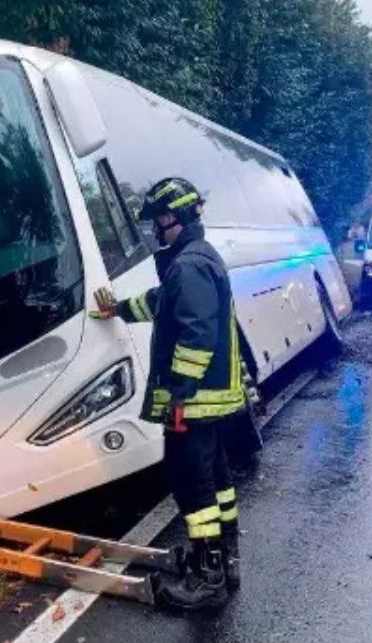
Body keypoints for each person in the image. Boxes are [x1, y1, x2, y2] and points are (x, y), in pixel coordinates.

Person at [90, 177, 245, 611]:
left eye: (157, 220)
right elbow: (164, 301)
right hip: (210, 400)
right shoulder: (195, 260)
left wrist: (178, 394)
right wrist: (118, 309)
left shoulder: (189, 265)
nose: (155, 230)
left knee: (193, 487)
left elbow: (195, 332)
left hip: (192, 404)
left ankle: (207, 578)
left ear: (170, 216)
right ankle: (225, 562)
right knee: (218, 482)